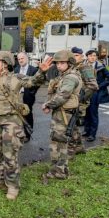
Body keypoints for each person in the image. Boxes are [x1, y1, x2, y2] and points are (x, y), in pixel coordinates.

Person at [0, 51, 50, 200]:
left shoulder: (16, 77)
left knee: (9, 153)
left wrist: (41, 72)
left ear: (6, 63)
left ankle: (12, 185)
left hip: (11, 120)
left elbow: (33, 82)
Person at [42, 50, 83, 180]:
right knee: (56, 141)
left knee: (60, 143)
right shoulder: (64, 76)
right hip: (60, 113)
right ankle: (58, 169)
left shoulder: (70, 77)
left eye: (62, 63)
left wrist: (48, 105)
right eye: (57, 63)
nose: (58, 65)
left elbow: (63, 95)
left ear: (69, 63)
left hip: (64, 114)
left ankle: (60, 171)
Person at [83, 50, 109, 142]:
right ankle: (86, 130)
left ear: (97, 57)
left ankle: (92, 134)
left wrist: (99, 86)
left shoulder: (101, 67)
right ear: (87, 56)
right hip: (85, 92)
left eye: (94, 56)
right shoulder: (82, 66)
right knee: (86, 112)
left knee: (93, 114)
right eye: (90, 55)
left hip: (94, 93)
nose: (93, 57)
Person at [13, 52, 39, 129]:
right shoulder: (16, 69)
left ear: (27, 58)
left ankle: (28, 133)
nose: (20, 60)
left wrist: (32, 93)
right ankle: (20, 131)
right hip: (18, 96)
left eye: (22, 58)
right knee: (18, 114)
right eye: (19, 59)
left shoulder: (34, 70)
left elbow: (37, 84)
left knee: (28, 114)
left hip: (28, 95)